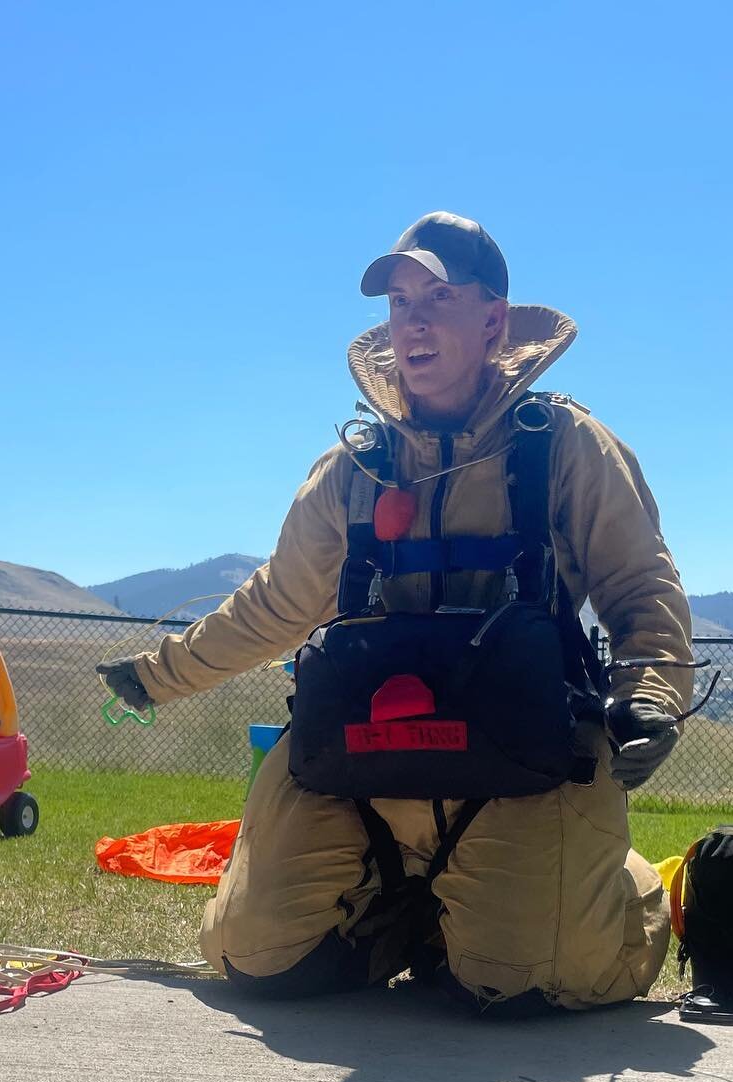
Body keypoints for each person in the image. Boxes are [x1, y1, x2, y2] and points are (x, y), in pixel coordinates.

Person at [100, 212, 694, 1016]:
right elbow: (277, 604)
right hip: (361, 755)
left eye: (437, 297)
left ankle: (613, 882)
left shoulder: (566, 446)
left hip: (524, 758)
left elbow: (641, 587)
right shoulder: (351, 469)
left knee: (528, 980)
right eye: (399, 301)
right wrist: (154, 676)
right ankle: (416, 914)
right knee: (259, 957)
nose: (411, 321)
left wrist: (651, 694)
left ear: (493, 320)